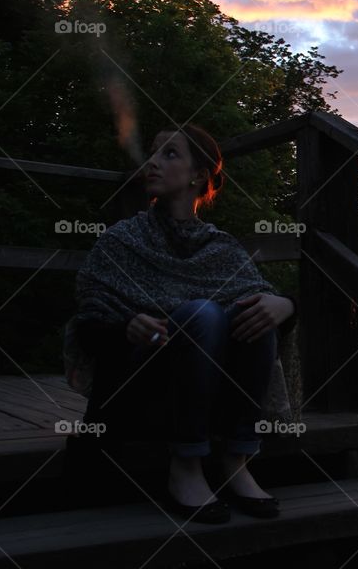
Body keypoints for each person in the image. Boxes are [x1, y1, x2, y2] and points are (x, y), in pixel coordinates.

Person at [64, 124, 297, 524]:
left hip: (213, 401)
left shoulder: (221, 247)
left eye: (170, 154)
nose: (152, 162)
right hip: (142, 394)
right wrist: (125, 327)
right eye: (153, 153)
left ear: (199, 175)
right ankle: (185, 467)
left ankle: (236, 460)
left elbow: (264, 306)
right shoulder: (122, 240)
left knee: (254, 308)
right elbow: (88, 324)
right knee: (203, 313)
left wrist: (286, 305)